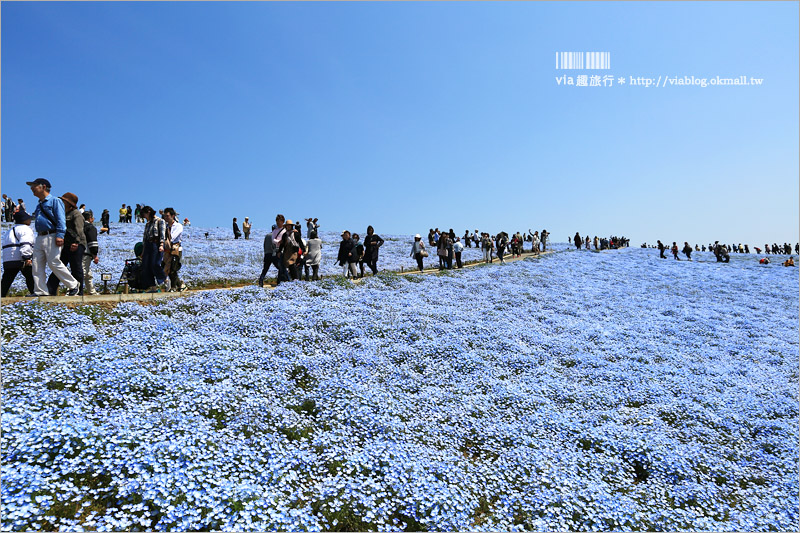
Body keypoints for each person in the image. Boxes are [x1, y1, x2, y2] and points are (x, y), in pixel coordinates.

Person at [27, 180, 80, 297]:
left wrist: (60, 235)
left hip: (52, 235)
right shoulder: (39, 204)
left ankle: (73, 285)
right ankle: (40, 291)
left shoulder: (55, 201)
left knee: (53, 262)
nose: (32, 188)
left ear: (43, 187)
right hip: (40, 236)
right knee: (36, 264)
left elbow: (61, 219)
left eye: (34, 186)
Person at [46, 192, 86, 296]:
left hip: (76, 244)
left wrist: (76, 242)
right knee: (59, 266)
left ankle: (78, 291)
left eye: (63, 201)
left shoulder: (76, 214)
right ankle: (50, 290)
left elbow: (79, 230)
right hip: (65, 245)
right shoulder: (62, 213)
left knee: (76, 268)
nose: (61, 202)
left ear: (69, 203)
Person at [1, 210, 36, 297]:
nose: (30, 221)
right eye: (28, 219)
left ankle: (1, 295)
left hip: (8, 259)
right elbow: (25, 244)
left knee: (6, 279)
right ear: (24, 220)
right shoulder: (26, 229)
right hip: (20, 258)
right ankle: (35, 293)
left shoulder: (9, 230)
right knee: (30, 276)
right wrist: (27, 257)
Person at [139, 205, 168, 291]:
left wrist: (161, 245)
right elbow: (144, 238)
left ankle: (165, 280)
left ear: (148, 212)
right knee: (146, 266)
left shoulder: (160, 221)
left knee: (154, 264)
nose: (144, 217)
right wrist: (143, 251)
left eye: (144, 215)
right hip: (148, 245)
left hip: (156, 244)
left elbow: (163, 234)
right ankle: (153, 287)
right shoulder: (147, 224)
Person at [162, 207, 186, 292]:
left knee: (173, 268)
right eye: (165, 216)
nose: (166, 217)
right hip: (167, 249)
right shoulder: (165, 226)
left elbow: (172, 237)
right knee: (167, 268)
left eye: (167, 216)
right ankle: (180, 285)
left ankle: (173, 287)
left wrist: (165, 238)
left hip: (176, 249)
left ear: (173, 216)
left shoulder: (178, 226)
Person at [81, 210, 100, 295]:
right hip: (85, 253)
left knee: (88, 273)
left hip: (77, 252)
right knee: (83, 272)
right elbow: (92, 242)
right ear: (90, 218)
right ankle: (73, 290)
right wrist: (95, 254)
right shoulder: (90, 227)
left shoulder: (78, 226)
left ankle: (92, 291)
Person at [271, 214, 289, 284]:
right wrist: (279, 241)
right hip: (278, 249)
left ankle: (282, 281)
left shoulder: (285, 230)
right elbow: (273, 240)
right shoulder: (275, 230)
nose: (278, 223)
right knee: (281, 266)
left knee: (283, 266)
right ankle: (287, 280)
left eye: (279, 221)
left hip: (285, 250)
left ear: (283, 221)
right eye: (277, 221)